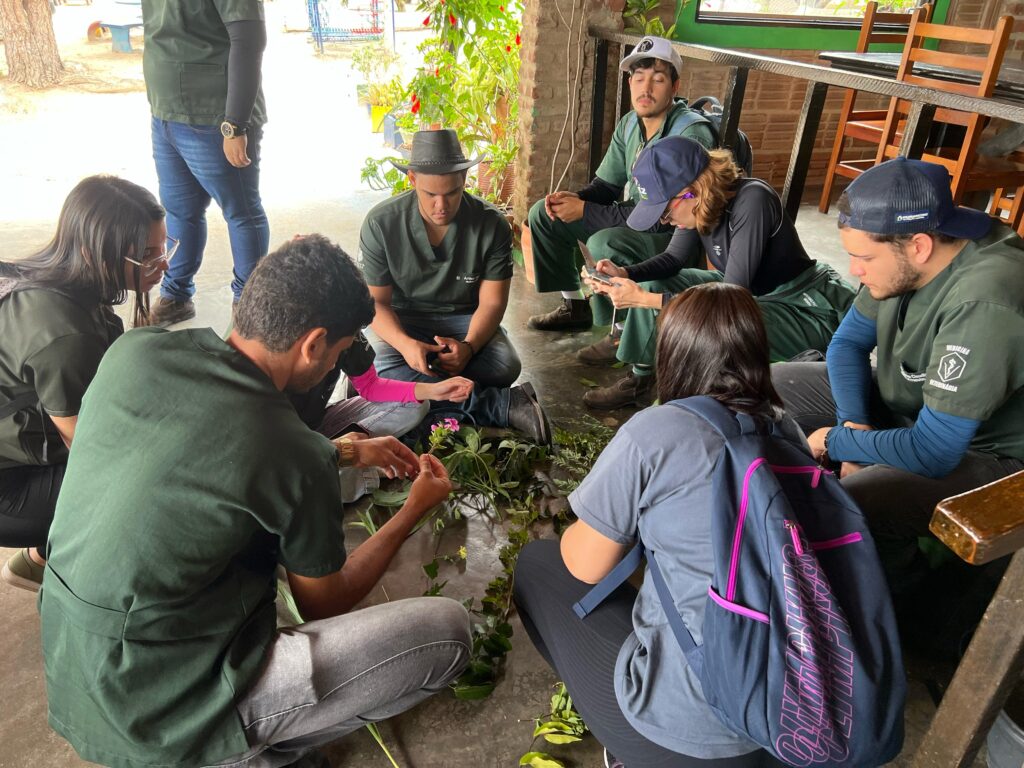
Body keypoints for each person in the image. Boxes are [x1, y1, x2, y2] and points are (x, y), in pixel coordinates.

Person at [39, 235, 472, 768]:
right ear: (314, 344)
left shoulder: (135, 349)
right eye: (339, 352)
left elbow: (205, 448)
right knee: (448, 635)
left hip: (73, 670)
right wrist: (412, 511)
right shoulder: (292, 450)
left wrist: (343, 452)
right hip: (163, 712)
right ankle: (238, 754)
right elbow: (324, 603)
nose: (335, 365)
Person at [514, 283, 788, 768]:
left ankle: (629, 748)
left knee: (537, 564)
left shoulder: (654, 432)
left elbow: (583, 566)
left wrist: (615, 508)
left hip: (693, 736)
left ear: (672, 355)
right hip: (796, 718)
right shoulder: (788, 429)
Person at [771, 157, 1024, 581]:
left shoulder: (984, 301)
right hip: (917, 409)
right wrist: (854, 426)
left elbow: (935, 451)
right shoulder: (912, 256)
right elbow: (848, 343)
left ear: (919, 246)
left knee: (856, 500)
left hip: (990, 453)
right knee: (778, 382)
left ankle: (906, 592)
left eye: (864, 257)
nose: (854, 270)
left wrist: (837, 441)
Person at [582, 136, 855, 410]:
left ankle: (683, 402)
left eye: (664, 211)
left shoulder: (754, 200)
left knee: (709, 327)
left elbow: (728, 304)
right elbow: (673, 259)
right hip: (746, 294)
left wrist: (645, 300)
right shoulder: (701, 204)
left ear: (693, 191)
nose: (666, 221)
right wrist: (625, 273)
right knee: (655, 283)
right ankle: (640, 381)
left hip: (801, 306)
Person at [0, 175, 168, 592]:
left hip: (16, 457)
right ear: (97, 252)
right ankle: (67, 576)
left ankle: (41, 557)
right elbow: (92, 450)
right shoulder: (64, 333)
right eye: (147, 255)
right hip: (8, 493)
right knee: (147, 482)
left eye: (164, 247)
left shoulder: (53, 276)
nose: (163, 264)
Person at [360, 129, 551, 444]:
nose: (441, 206)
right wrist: (406, 345)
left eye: (452, 193)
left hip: (463, 321)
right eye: (430, 194)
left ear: (464, 179)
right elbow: (375, 304)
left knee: (505, 365)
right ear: (412, 180)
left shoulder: (491, 224)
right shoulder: (381, 223)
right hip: (403, 321)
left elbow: (492, 303)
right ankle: (501, 405)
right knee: (377, 369)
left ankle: (420, 399)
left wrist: (469, 347)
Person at [526, 35, 717, 335]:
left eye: (658, 79)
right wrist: (574, 199)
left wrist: (586, 211)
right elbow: (606, 186)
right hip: (638, 216)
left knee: (605, 242)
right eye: (638, 78)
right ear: (629, 83)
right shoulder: (630, 123)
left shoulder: (689, 134)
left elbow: (669, 214)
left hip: (672, 231)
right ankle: (574, 306)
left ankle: (620, 331)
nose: (646, 88)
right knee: (543, 213)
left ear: (675, 86)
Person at [142, 0, 270, 326]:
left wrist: (234, 124)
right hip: (166, 113)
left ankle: (249, 311)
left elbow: (249, 39)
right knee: (179, 211)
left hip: (213, 118)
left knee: (241, 213)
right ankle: (176, 296)